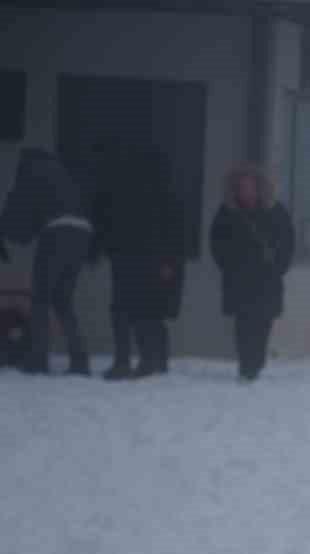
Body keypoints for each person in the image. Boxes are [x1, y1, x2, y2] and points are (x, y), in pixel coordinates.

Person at [93, 143, 186, 379]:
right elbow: (176, 234)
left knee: (123, 310)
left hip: (127, 256)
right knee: (148, 310)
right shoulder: (167, 196)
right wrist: (169, 262)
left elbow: (111, 224)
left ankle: (126, 361)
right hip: (150, 259)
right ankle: (152, 360)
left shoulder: (123, 192)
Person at [0, 148, 94, 375]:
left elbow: (19, 209)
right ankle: (80, 360)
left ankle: (38, 359)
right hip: (82, 233)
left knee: (41, 298)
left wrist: (7, 231)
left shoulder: (30, 172)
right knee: (63, 300)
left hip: (56, 232)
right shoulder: (64, 174)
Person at [208, 162, 293, 382]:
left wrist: (278, 267)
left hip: (267, 279)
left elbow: (287, 242)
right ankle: (247, 365)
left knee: (262, 322)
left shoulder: (275, 211)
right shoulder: (227, 213)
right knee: (243, 323)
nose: (246, 191)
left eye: (250, 186)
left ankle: (255, 362)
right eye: (241, 186)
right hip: (239, 279)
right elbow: (217, 243)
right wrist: (229, 265)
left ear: (259, 187)